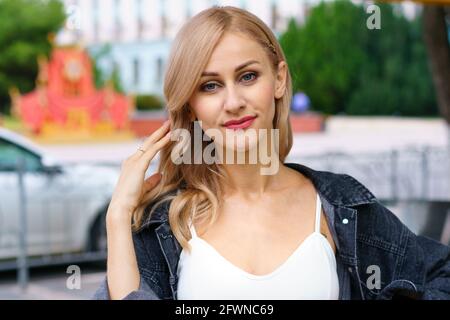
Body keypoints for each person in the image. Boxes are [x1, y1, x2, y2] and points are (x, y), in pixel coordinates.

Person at [93, 6, 450, 300]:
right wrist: (118, 216)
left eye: (248, 76)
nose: (233, 102)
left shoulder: (341, 207)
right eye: (210, 85)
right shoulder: (165, 224)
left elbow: (440, 274)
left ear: (278, 80)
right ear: (190, 106)